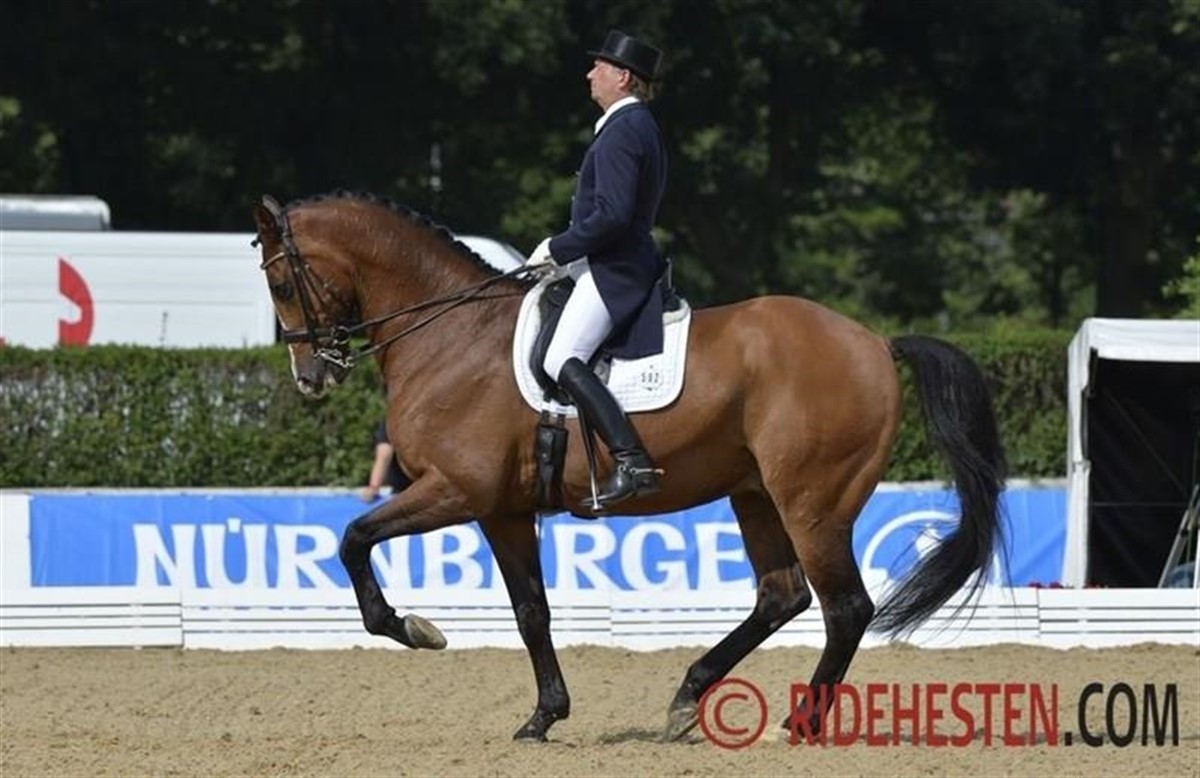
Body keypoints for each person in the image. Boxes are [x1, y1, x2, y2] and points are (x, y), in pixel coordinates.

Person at [525, 29, 668, 510]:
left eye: (599, 67)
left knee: (559, 356)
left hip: (615, 269)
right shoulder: (635, 125)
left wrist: (556, 248)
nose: (590, 74)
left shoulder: (624, 129)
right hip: (608, 260)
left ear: (623, 77)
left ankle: (631, 459)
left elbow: (612, 216)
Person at [360, 420, 412, 502]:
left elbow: (384, 455)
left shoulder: (392, 421)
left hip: (407, 491)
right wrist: (374, 487)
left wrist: (373, 487)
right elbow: (383, 455)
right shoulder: (391, 422)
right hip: (405, 490)